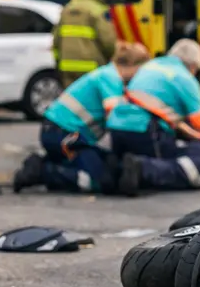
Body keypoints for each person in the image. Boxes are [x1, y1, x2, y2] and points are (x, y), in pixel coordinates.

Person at [12, 42, 151, 194]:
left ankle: (47, 163)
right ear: (132, 66)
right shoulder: (110, 78)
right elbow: (117, 119)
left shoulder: (107, 74)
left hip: (63, 133)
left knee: (103, 166)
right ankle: (44, 172)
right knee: (98, 180)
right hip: (63, 135)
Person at [107, 39, 200, 164]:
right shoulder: (183, 77)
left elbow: (160, 113)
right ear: (193, 66)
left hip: (116, 127)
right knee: (183, 160)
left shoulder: (151, 65)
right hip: (143, 130)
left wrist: (193, 135)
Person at [55, 0, 117, 88]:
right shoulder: (98, 10)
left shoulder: (68, 8)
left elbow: (56, 40)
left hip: (67, 68)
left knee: (72, 103)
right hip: (92, 70)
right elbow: (108, 42)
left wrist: (59, 62)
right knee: (91, 104)